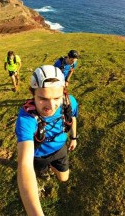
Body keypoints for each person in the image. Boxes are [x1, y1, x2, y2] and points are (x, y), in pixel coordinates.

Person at [15, 65, 79, 215]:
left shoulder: (70, 102)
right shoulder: (26, 118)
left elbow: (73, 118)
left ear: (63, 92)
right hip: (38, 155)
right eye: (43, 98)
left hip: (60, 148)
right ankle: (45, 169)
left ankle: (51, 168)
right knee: (41, 172)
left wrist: (74, 138)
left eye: (56, 98)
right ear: (33, 94)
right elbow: (24, 164)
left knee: (64, 178)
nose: (51, 106)